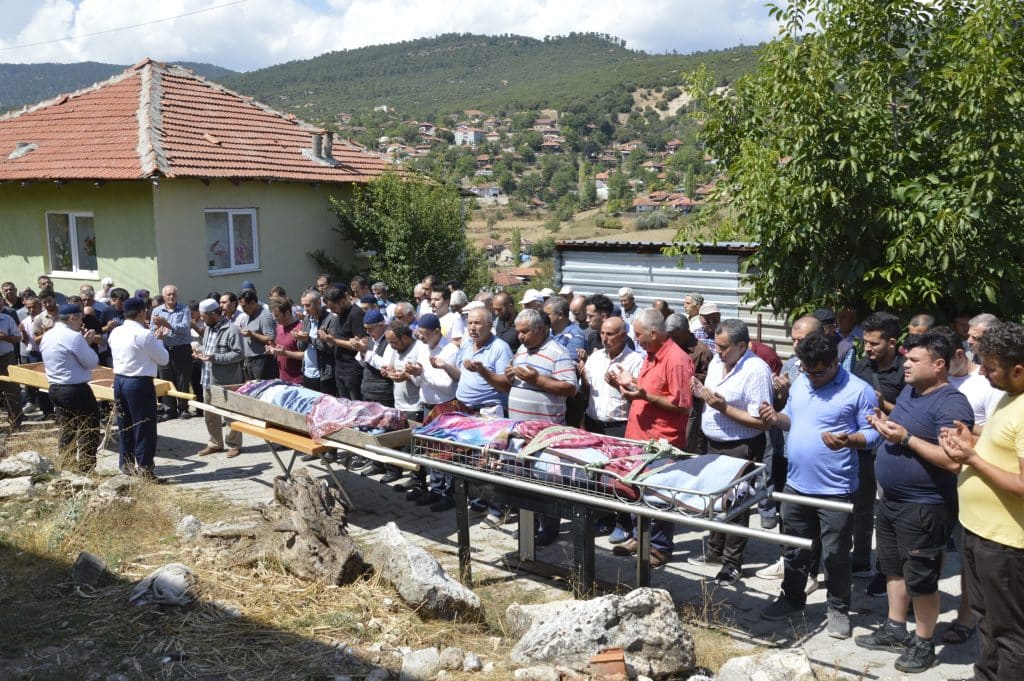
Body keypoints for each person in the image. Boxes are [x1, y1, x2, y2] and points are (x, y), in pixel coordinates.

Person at [855, 330, 974, 674]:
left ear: (939, 365)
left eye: (913, 360)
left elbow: (953, 461)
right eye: (906, 358)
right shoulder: (911, 390)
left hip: (925, 505)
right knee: (892, 567)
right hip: (890, 500)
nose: (905, 364)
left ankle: (924, 643)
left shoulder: (951, 403)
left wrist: (904, 438)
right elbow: (903, 427)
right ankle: (895, 628)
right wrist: (885, 423)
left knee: (921, 578)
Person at [757, 331, 879, 639]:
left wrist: (849, 440)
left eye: (818, 372)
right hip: (797, 485)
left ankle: (837, 608)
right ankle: (792, 598)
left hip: (836, 490)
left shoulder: (859, 391)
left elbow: (875, 434)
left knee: (835, 554)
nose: (811, 377)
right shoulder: (801, 381)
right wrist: (775, 417)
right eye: (806, 371)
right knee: (794, 549)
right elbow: (792, 419)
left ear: (835, 362)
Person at [939, 322, 1024, 681]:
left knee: (1009, 631)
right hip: (979, 532)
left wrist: (973, 460)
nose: (984, 374)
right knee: (986, 618)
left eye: (990, 368)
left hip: (1005, 544)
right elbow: (1001, 451)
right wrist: (971, 442)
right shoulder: (1008, 396)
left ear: (1018, 370)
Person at [690, 318, 773, 586]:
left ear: (742, 345)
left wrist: (724, 408)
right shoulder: (716, 362)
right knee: (715, 500)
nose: (718, 351)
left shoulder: (756, 371)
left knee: (737, 505)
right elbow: (714, 396)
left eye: (724, 347)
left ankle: (732, 564)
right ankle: (714, 551)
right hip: (713, 441)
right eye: (716, 345)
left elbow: (762, 421)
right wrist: (701, 393)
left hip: (741, 446)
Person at [610, 308, 695, 567]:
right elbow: (651, 389)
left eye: (638, 334)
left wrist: (644, 396)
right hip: (639, 438)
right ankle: (639, 536)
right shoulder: (651, 354)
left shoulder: (677, 359)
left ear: (654, 333)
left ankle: (659, 547)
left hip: (662, 443)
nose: (635, 339)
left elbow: (682, 405)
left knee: (658, 495)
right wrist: (625, 383)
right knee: (637, 492)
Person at [499, 308, 578, 544]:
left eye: (525, 332)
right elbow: (511, 382)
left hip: (545, 434)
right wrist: (510, 376)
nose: (520, 337)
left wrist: (537, 380)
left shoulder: (558, 353)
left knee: (545, 483)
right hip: (519, 433)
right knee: (521, 483)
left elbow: (570, 389)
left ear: (541, 330)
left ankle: (549, 530)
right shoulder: (522, 350)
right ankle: (528, 527)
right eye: (518, 332)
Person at [851, 311, 906, 593]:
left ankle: (887, 573)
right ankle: (860, 561)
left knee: (888, 513)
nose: (867, 348)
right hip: (862, 449)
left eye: (874, 343)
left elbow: (913, 416)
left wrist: (884, 406)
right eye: (865, 342)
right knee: (861, 508)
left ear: (892, 342)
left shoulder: (906, 371)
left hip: (893, 454)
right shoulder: (860, 367)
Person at [108, 297, 170, 479]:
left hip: (120, 380)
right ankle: (145, 468)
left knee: (125, 425)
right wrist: (159, 340)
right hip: (139, 382)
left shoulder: (116, 332)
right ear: (142, 312)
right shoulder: (144, 334)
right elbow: (163, 359)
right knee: (144, 426)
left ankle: (126, 465)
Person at [40, 303, 103, 471]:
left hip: (55, 387)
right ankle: (86, 468)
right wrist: (86, 343)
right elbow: (91, 362)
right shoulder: (72, 336)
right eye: (80, 319)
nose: (81, 324)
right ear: (72, 318)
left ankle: (67, 465)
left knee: (67, 429)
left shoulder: (48, 335)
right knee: (88, 427)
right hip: (74, 388)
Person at [194, 299, 245, 459]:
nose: (202, 320)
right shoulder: (208, 328)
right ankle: (215, 443)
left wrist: (214, 358)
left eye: (204, 316)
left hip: (227, 380)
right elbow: (208, 348)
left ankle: (234, 445)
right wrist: (199, 352)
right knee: (210, 414)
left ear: (214, 314)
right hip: (208, 378)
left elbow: (238, 354)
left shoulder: (231, 330)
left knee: (230, 414)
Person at [665, 313, 713, 454]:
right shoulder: (669, 348)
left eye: (677, 337)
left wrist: (687, 377)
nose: (673, 341)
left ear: (687, 332)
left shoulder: (702, 352)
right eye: (670, 337)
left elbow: (710, 380)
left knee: (688, 446)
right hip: (671, 404)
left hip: (692, 408)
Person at [150, 285, 194, 420]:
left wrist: (167, 325)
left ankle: (183, 408)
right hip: (164, 349)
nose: (171, 297)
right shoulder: (157, 311)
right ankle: (169, 410)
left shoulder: (184, 309)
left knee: (182, 379)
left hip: (181, 349)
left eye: (174, 294)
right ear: (163, 296)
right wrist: (158, 333)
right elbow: (152, 329)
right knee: (166, 379)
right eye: (168, 295)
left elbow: (185, 328)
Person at [321, 285, 365, 399]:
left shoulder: (356, 314)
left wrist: (334, 340)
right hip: (339, 368)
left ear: (342, 300)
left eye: (334, 308)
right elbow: (341, 339)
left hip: (352, 371)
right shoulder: (340, 315)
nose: (332, 312)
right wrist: (327, 338)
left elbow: (360, 344)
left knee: (356, 407)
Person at [295, 290, 338, 395]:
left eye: (308, 305)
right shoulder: (307, 319)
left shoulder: (331, 320)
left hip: (324, 375)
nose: (305, 309)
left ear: (318, 303)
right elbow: (301, 348)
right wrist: (300, 338)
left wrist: (309, 339)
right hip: (307, 373)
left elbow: (330, 347)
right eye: (303, 305)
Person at [238, 289, 278, 381]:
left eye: (244, 306)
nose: (243, 310)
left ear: (252, 303)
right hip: (249, 361)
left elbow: (271, 339)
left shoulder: (265, 316)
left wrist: (251, 334)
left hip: (262, 361)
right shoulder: (247, 317)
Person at [266, 298, 303, 384]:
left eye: (277, 315)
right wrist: (273, 349)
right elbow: (282, 348)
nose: (274, 318)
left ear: (287, 313)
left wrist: (285, 353)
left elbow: (306, 355)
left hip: (298, 381)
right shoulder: (279, 327)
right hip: (283, 379)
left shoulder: (300, 329)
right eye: (273, 315)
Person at [0, 303, 22, 430]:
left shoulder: (7, 319)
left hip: (6, 359)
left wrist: (5, 337)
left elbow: (18, 337)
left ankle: (15, 422)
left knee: (11, 391)